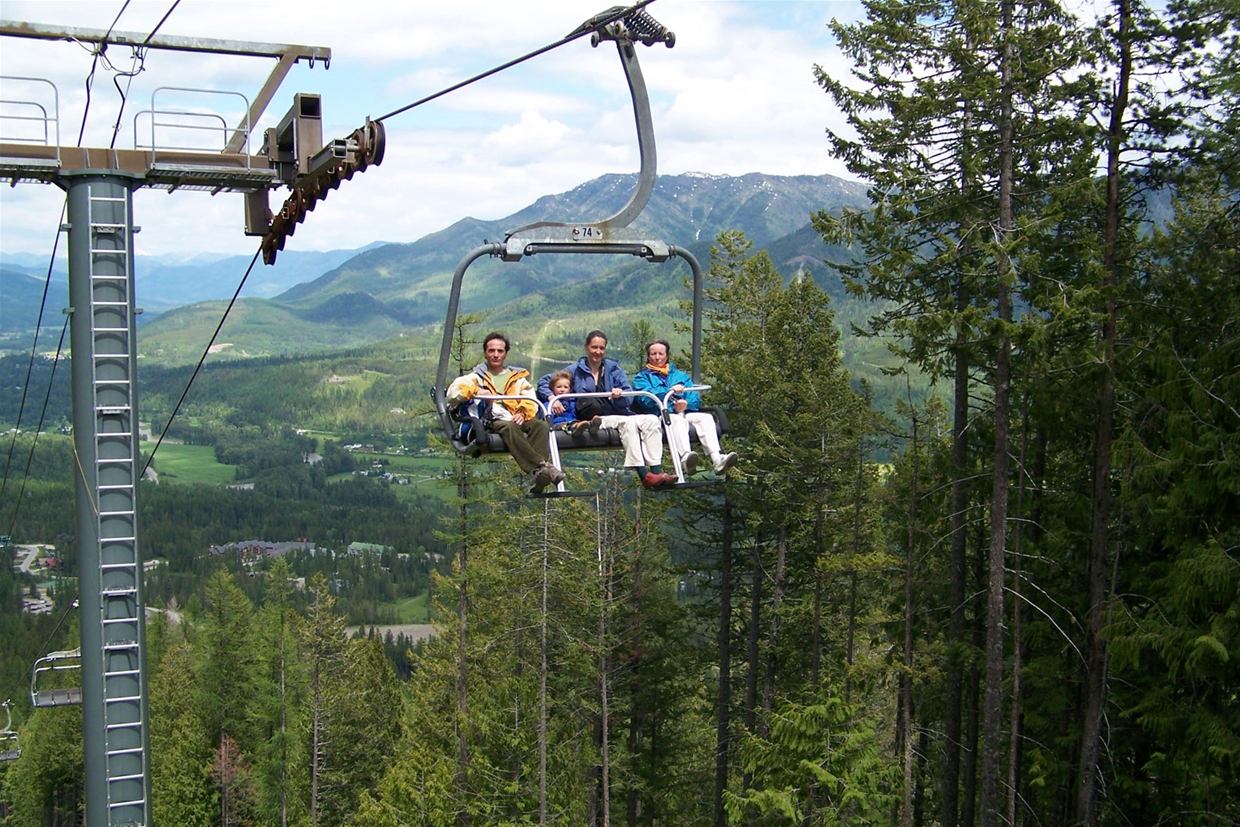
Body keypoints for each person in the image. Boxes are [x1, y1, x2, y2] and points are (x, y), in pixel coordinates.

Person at [538, 330, 675, 488]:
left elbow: (629, 397)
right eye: (594, 347)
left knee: (651, 420)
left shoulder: (614, 370)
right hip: (594, 417)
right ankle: (644, 475)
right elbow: (545, 382)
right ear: (586, 347)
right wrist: (551, 398)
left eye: (601, 348)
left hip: (618, 411)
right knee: (627, 424)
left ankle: (656, 471)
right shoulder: (575, 370)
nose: (598, 352)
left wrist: (620, 395)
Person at [447, 332, 565, 494]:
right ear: (485, 353)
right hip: (491, 418)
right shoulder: (476, 377)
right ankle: (542, 467)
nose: (495, 355)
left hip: (516, 416)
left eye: (500, 351)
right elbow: (453, 392)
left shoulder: (517, 378)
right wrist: (477, 391)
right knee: (509, 427)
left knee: (540, 425)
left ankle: (540, 473)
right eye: (491, 351)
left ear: (506, 353)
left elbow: (529, 398)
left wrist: (523, 413)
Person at [632, 339, 738, 476]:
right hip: (660, 416)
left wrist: (686, 404)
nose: (657, 357)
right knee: (676, 420)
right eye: (653, 354)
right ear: (648, 356)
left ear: (667, 355)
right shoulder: (642, 378)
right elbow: (646, 399)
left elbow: (694, 397)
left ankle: (717, 458)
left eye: (660, 353)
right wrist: (670, 393)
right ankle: (686, 457)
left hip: (683, 412)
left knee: (705, 418)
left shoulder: (680, 376)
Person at [547, 370, 602, 437]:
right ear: (552, 389)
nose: (562, 389)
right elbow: (547, 419)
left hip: (575, 421)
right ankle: (577, 427)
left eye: (565, 387)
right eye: (559, 387)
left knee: (579, 422)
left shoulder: (573, 403)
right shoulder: (549, 404)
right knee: (565, 425)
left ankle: (592, 425)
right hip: (558, 425)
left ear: (570, 389)